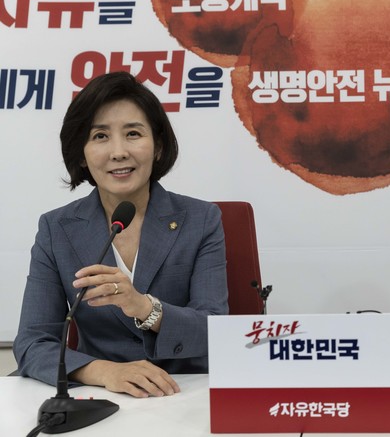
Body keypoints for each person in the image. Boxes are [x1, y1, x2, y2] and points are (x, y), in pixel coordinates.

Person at [13, 71, 228, 397]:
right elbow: (32, 341)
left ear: (158, 146)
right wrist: (102, 371)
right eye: (100, 136)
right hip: (101, 395)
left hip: (185, 390)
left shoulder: (201, 220)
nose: (118, 152)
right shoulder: (56, 229)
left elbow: (215, 331)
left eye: (133, 134)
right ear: (81, 153)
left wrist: (144, 307)